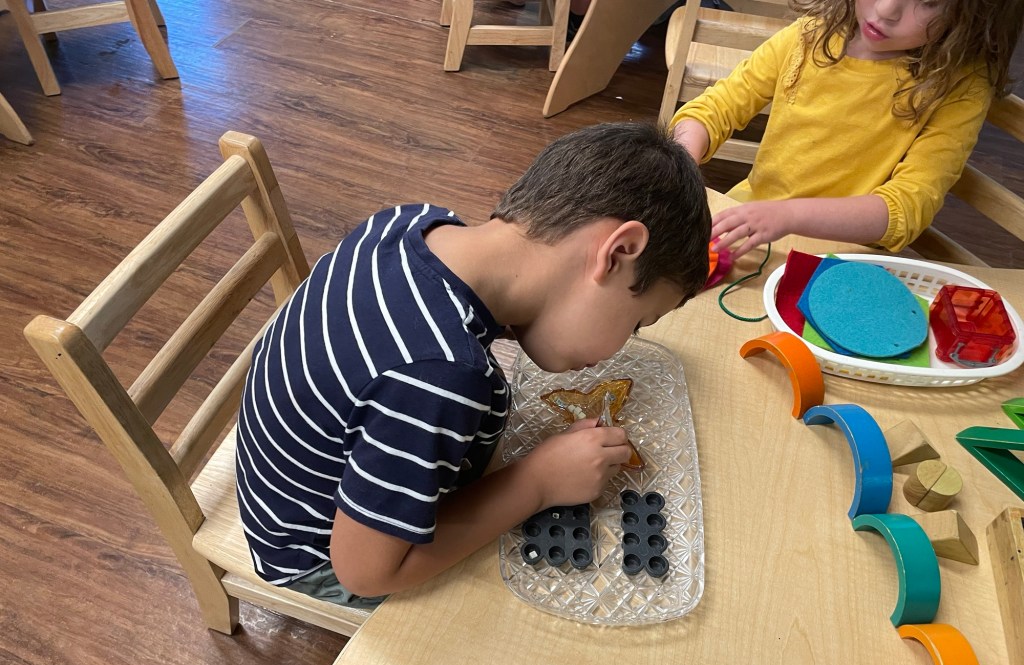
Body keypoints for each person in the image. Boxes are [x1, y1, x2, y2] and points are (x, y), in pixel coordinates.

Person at [234, 122, 711, 608]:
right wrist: (538, 483)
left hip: (303, 480)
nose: (620, 346)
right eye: (636, 323)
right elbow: (364, 573)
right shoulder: (437, 377)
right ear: (619, 252)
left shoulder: (414, 223)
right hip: (318, 555)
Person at [669, 0, 1024, 259]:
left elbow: (906, 209)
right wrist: (681, 162)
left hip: (843, 262)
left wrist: (788, 216)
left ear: (971, 17)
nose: (886, 10)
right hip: (749, 226)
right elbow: (714, 108)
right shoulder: (809, 34)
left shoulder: (961, 87)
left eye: (928, 2)